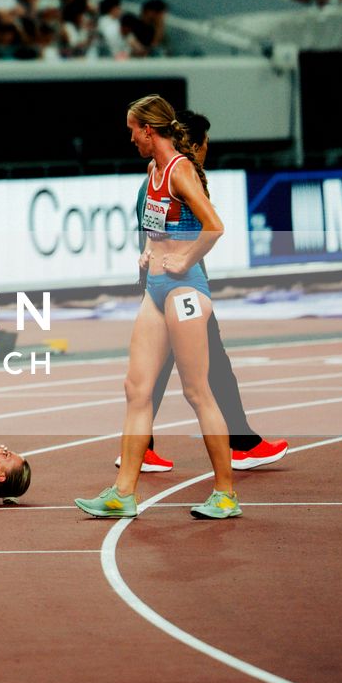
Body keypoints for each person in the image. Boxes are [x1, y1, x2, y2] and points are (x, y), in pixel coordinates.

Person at [76, 94, 240, 522]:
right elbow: (156, 227)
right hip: (156, 289)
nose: (130, 138)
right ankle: (123, 493)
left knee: (196, 391)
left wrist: (184, 260)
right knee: (136, 388)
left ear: (149, 130)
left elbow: (214, 226)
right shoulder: (152, 171)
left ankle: (225, 492)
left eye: (133, 130)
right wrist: (149, 251)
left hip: (186, 292)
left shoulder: (180, 170)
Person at [119, 111, 288, 478]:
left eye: (134, 130)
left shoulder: (169, 174)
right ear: (194, 145)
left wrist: (166, 261)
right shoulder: (171, 174)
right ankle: (237, 449)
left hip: (175, 287)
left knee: (181, 377)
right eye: (206, 143)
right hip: (173, 286)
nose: (131, 138)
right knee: (188, 383)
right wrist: (171, 260)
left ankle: (224, 458)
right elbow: (207, 228)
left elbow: (171, 228)